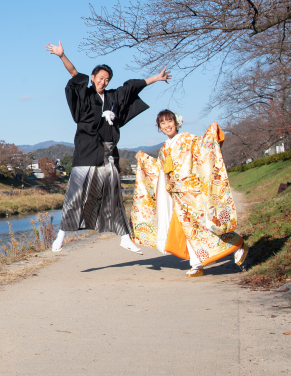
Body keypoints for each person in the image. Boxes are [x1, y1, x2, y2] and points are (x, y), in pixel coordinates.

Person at [45, 40, 171, 253]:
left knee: (113, 194)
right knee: (76, 193)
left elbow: (132, 86)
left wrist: (156, 79)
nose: (103, 82)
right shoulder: (85, 94)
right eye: (100, 78)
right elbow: (75, 73)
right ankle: (61, 235)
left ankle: (124, 236)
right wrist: (61, 56)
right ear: (93, 78)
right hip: (85, 151)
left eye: (107, 79)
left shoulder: (113, 97)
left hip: (107, 152)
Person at [131, 110, 248, 277]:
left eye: (169, 121)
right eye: (162, 123)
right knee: (189, 230)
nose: (167, 125)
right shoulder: (164, 148)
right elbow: (159, 170)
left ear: (176, 122)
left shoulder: (187, 139)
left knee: (205, 223)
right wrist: (143, 159)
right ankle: (196, 264)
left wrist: (211, 134)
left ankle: (238, 243)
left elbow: (203, 148)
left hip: (193, 191)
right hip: (177, 195)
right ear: (159, 127)